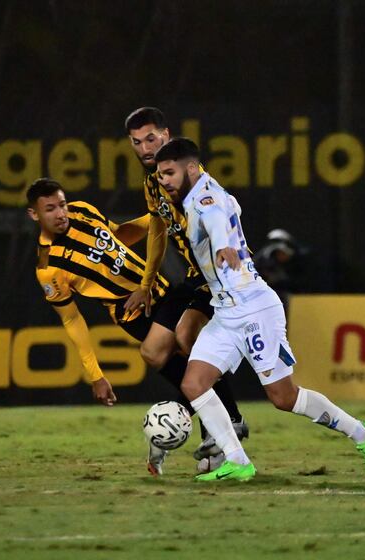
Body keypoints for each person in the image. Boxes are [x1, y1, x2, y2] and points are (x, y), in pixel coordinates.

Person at [153, 137, 365, 482]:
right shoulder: (206, 191)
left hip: (254, 308)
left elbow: (217, 219)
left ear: (190, 168)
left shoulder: (204, 199)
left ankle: (364, 435)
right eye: (159, 176)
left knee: (284, 397)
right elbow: (231, 209)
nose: (164, 181)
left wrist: (222, 247)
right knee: (194, 383)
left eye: (169, 173)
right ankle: (238, 460)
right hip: (226, 311)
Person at [26, 177, 246, 476]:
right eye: (50, 209)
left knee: (185, 350)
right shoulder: (47, 269)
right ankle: (213, 432)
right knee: (186, 371)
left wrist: (155, 219)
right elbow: (72, 319)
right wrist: (96, 375)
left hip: (158, 289)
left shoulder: (82, 212)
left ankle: (217, 428)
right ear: (34, 214)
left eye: (62, 204)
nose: (60, 213)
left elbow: (117, 235)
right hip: (133, 315)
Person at [123, 107, 247, 463]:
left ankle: (223, 427)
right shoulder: (155, 182)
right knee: (153, 351)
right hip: (192, 278)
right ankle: (218, 415)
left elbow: (219, 211)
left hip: (219, 277)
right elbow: (158, 229)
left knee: (188, 338)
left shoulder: (192, 179)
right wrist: (146, 284)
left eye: (151, 138)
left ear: (166, 135)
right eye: (136, 142)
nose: (145, 148)